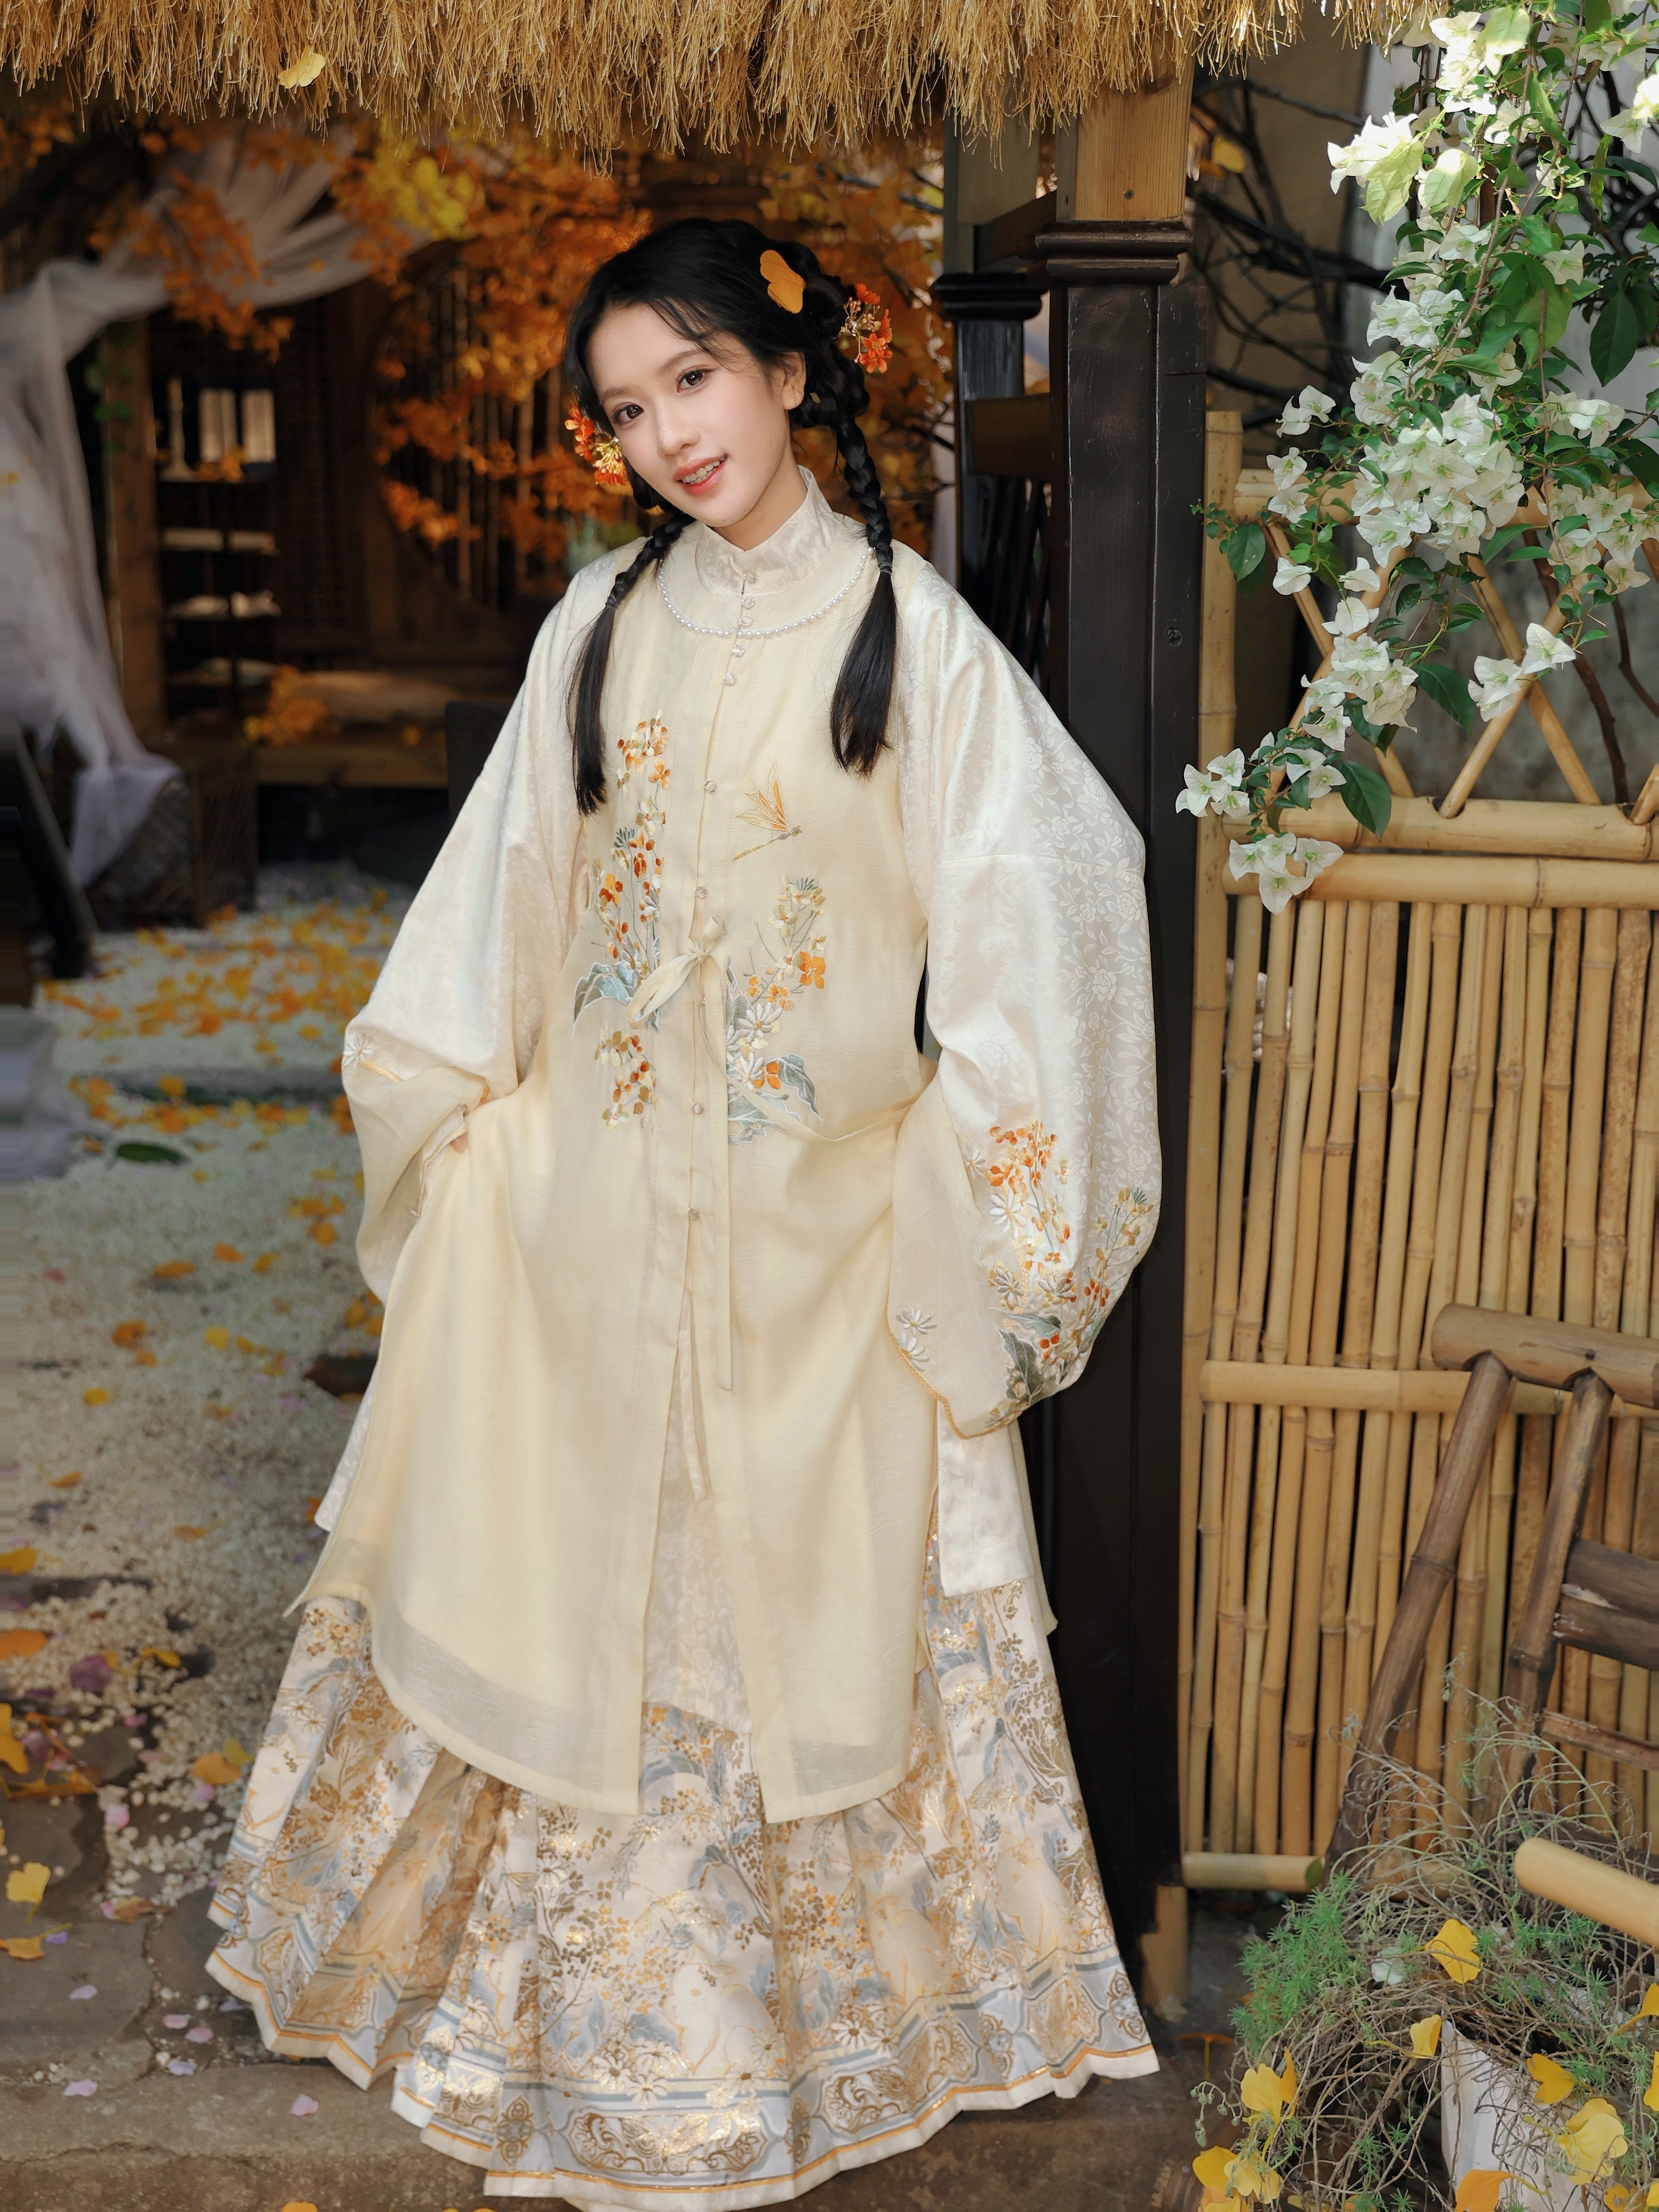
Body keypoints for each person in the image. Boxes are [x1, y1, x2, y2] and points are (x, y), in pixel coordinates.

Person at [207, 217, 1161, 2204]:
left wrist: (950, 1175)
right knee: (575, 1592)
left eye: (696, 383)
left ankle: (827, 2031)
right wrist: (464, 1121)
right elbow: (508, 895)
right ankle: (555, 2018)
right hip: (589, 1210)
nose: (668, 437)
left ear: (793, 375)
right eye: (630, 412)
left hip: (825, 1235)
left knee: (803, 1604)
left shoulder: (914, 636)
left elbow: (1047, 908)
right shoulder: (601, 626)